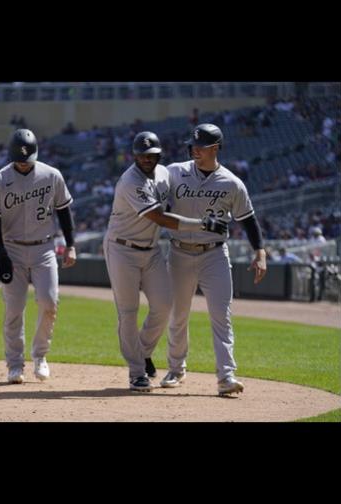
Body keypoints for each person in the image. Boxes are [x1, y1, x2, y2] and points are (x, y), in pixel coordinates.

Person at [104, 132, 228, 392]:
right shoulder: (130, 181)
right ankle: (136, 372)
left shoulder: (164, 173)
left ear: (159, 154)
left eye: (151, 154)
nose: (146, 159)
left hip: (151, 250)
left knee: (164, 304)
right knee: (128, 312)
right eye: (141, 154)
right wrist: (204, 223)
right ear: (133, 155)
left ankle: (143, 351)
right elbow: (161, 218)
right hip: (122, 249)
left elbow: (187, 192)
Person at [164, 123, 267, 396]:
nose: (195, 149)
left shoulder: (232, 183)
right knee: (178, 315)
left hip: (214, 255)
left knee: (222, 316)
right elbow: (155, 204)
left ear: (216, 148)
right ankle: (176, 369)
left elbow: (248, 220)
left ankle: (226, 376)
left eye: (202, 145)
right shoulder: (174, 172)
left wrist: (260, 252)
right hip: (178, 252)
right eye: (193, 145)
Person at [0, 129, 77, 384]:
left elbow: (64, 212)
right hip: (12, 248)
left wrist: (70, 245)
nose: (23, 161)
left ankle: (40, 355)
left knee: (49, 301)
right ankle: (15, 365)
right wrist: (0, 250)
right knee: (14, 309)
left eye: (28, 157)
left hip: (44, 248)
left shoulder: (51, 175)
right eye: (19, 157)